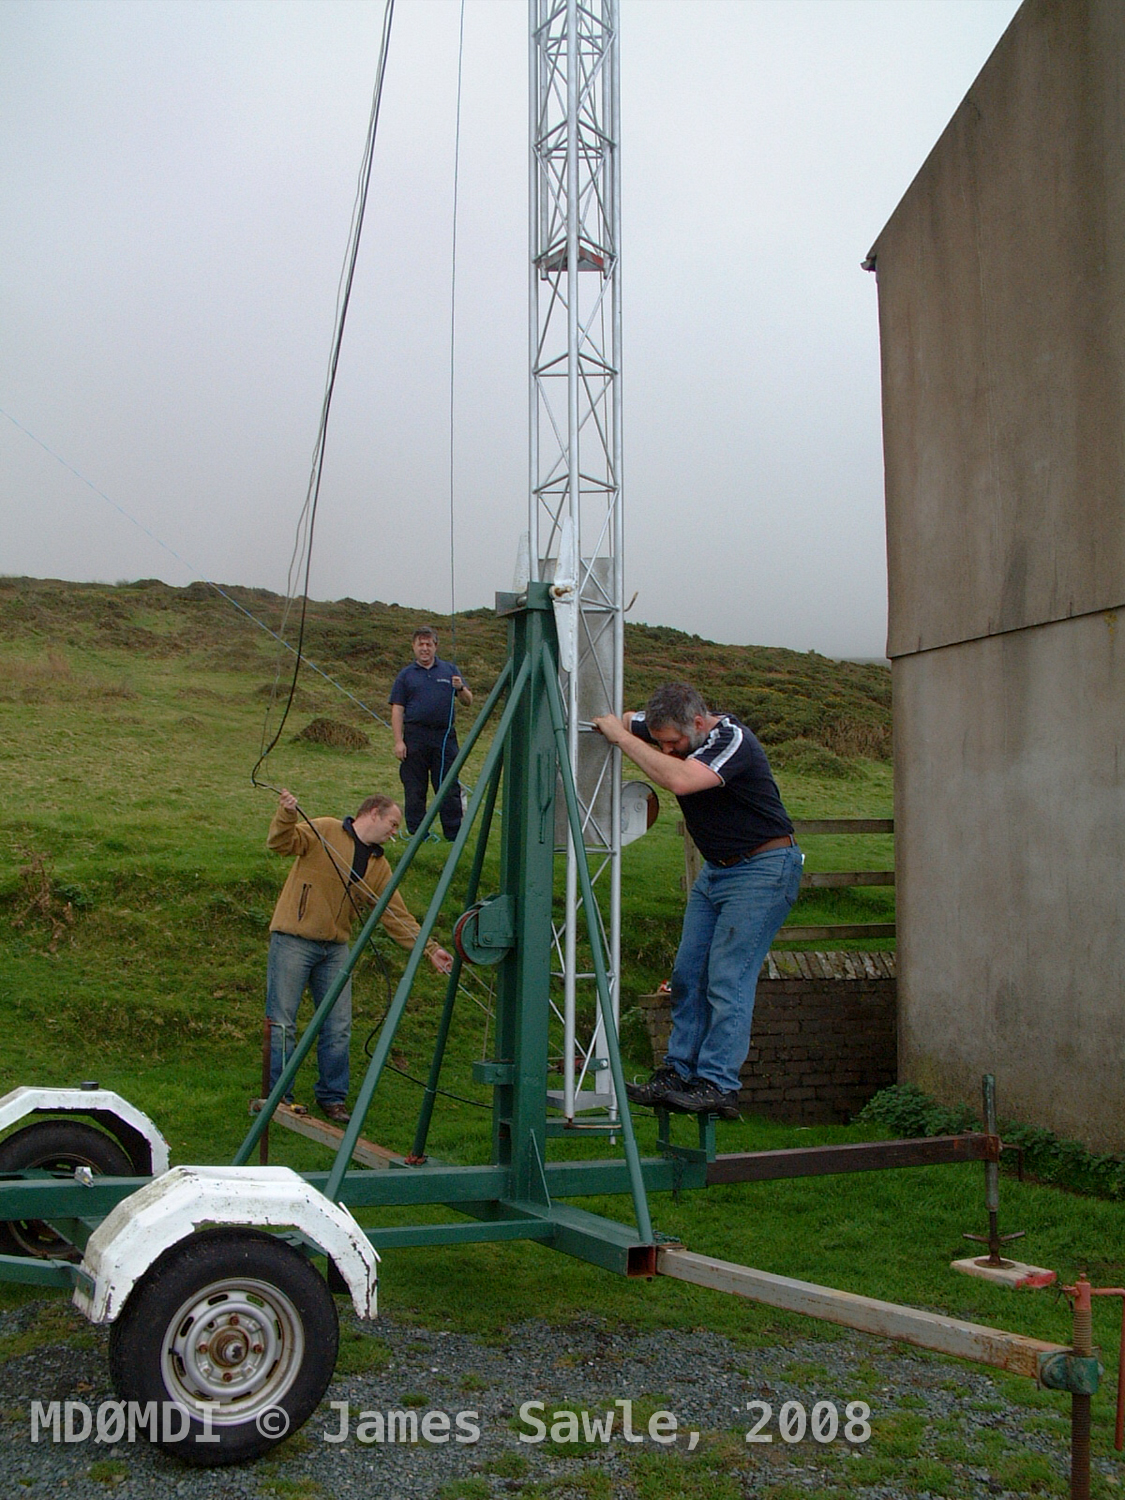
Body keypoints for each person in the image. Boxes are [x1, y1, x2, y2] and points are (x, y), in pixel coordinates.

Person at [593, 683, 803, 1120]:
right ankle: (678, 1072)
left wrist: (622, 737)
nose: (667, 750)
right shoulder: (670, 729)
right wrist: (617, 724)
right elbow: (623, 717)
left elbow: (681, 780)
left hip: (763, 869)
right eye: (661, 741)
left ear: (700, 723)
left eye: (674, 742)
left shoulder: (731, 739)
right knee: (688, 974)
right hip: (717, 871)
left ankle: (718, 1084)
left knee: (729, 978)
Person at [265, 788, 453, 1123]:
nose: (395, 831)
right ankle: (278, 1097)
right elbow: (281, 843)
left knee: (338, 1026)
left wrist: (430, 949)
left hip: (336, 948)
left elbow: (395, 914)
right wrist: (287, 814)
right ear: (373, 813)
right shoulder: (323, 829)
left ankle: (333, 1098)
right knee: (282, 1023)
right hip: (293, 940)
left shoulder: (379, 865)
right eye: (393, 823)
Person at [389, 627, 473, 841]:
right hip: (414, 737)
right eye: (420, 644)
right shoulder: (405, 675)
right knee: (415, 787)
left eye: (429, 644)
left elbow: (468, 701)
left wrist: (460, 687)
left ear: (435, 646)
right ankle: (418, 833)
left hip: (444, 738)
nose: (424, 648)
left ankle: (453, 833)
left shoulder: (449, 670)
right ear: (414, 647)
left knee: (448, 785)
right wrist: (399, 741)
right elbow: (397, 709)